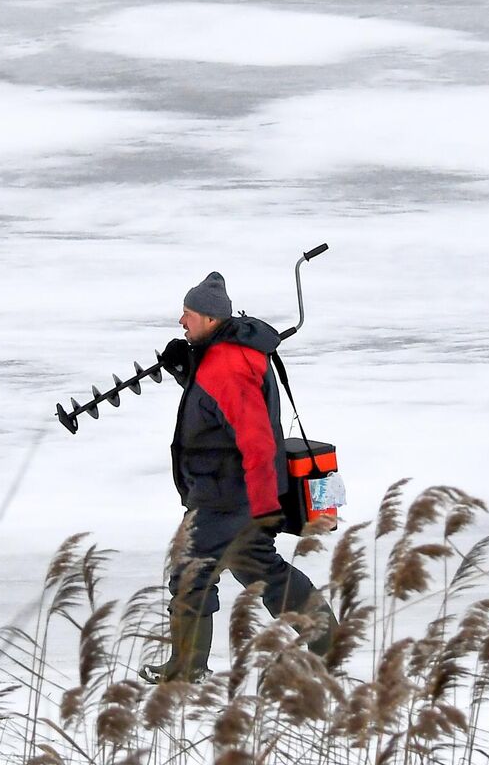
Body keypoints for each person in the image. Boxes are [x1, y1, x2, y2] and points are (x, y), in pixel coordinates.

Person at [143, 270, 335, 684]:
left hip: (226, 494)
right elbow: (218, 411)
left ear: (211, 320)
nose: (181, 321)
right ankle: (327, 641)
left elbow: (257, 440)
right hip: (231, 490)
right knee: (257, 568)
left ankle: (186, 667)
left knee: (190, 572)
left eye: (189, 314)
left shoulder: (227, 366)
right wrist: (186, 372)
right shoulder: (226, 354)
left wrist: (265, 507)